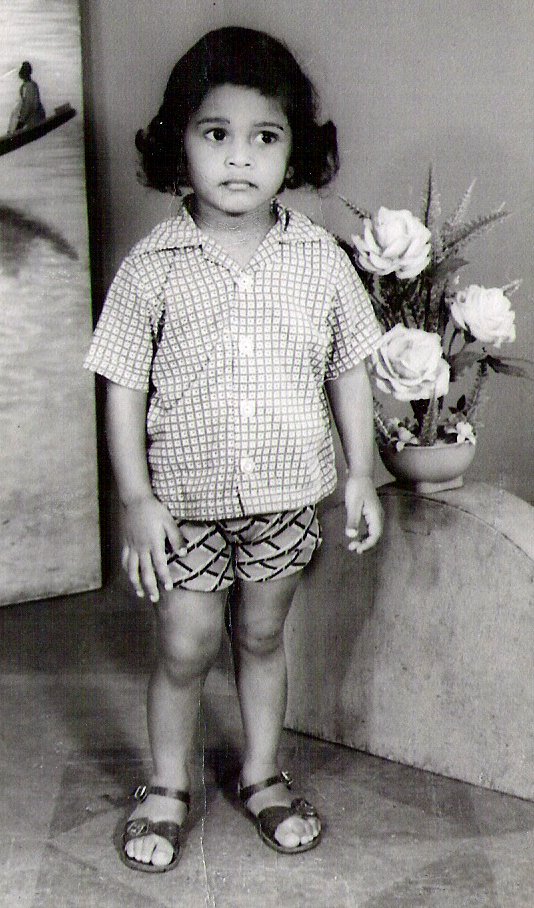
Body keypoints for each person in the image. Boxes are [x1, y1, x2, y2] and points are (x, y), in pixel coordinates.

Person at [85, 26, 383, 873]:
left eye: (266, 137)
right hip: (182, 506)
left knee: (261, 636)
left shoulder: (319, 260)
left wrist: (360, 472)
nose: (241, 159)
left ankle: (260, 773)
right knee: (185, 646)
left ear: (297, 150)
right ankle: (168, 785)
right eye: (217, 134)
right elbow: (121, 384)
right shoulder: (153, 267)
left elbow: (351, 368)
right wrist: (137, 500)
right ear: (180, 141)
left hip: (285, 497)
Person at [11, 62, 46, 132]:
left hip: (34, 119)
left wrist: (20, 124)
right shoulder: (30, 85)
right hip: (35, 117)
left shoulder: (28, 86)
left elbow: (28, 105)